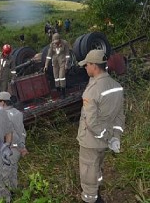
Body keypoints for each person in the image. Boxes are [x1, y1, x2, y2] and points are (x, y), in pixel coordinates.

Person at [77, 50, 125, 203]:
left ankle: (90, 199)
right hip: (105, 140)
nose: (85, 67)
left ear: (95, 66)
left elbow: (91, 122)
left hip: (91, 141)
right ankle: (98, 195)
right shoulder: (117, 86)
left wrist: (106, 136)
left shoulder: (92, 91)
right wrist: (114, 138)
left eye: (87, 65)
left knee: (88, 172)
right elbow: (120, 116)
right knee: (98, 168)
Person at [0, 91, 28, 189]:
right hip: (16, 150)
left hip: (8, 150)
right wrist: (22, 147)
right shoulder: (17, 113)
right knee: (13, 173)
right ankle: (15, 192)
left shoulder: (2, 115)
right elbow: (21, 131)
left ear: (3, 102)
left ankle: (8, 197)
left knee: (4, 176)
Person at [44, 33, 71, 98]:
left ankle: (63, 92)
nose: (56, 43)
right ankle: (58, 88)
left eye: (57, 42)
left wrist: (67, 63)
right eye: (54, 42)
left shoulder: (64, 43)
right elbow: (49, 55)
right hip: (55, 62)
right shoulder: (52, 45)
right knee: (56, 77)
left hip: (62, 61)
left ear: (59, 40)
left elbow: (67, 54)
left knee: (61, 76)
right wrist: (46, 65)